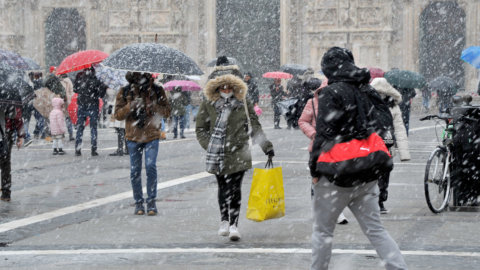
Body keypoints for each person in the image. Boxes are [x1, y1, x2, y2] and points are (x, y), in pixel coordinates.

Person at [308, 47, 407, 270]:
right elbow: (384, 123)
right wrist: (363, 136)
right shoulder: (367, 89)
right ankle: (398, 266)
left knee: (323, 231)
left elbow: (324, 134)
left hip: (336, 174)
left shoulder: (331, 92)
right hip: (367, 171)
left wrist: (314, 169)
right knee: (375, 229)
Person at [196, 56, 274, 241]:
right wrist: (209, 145)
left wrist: (266, 147)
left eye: (229, 86)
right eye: (222, 87)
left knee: (235, 189)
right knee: (223, 187)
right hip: (218, 152)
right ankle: (224, 219)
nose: (226, 90)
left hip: (239, 151)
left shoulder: (243, 103)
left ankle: (234, 224)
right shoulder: (209, 103)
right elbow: (200, 128)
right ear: (216, 88)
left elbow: (255, 125)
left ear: (234, 86)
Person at [115, 72, 171, 216]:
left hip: (151, 134)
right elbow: (118, 115)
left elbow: (167, 111)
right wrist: (130, 106)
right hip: (133, 136)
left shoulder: (157, 90)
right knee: (135, 171)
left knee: (151, 167)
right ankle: (139, 202)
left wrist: (153, 106)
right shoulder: (125, 91)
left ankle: (151, 201)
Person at [298, 78, 348, 224]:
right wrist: (313, 134)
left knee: (337, 179)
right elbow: (302, 121)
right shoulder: (312, 103)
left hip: (338, 146)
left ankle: (336, 211)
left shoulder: (342, 104)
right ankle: (318, 209)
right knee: (317, 179)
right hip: (318, 146)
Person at [370, 77, 411, 214]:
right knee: (374, 173)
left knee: (384, 172)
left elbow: (399, 128)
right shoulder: (368, 104)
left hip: (386, 144)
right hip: (371, 144)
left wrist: (404, 153)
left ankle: (381, 197)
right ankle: (375, 199)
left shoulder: (393, 106)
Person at [73, 67, 107, 156]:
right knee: (93, 128)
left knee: (80, 128)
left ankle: (78, 149)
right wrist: (103, 86)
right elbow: (101, 94)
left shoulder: (79, 76)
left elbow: (75, 90)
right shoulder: (96, 78)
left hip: (81, 104)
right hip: (93, 105)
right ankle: (93, 149)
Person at [0, 106, 25, 202]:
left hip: (5, 135)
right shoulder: (9, 100)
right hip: (6, 135)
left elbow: (17, 118)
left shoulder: (9, 101)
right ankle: (6, 193)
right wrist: (20, 136)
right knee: (5, 164)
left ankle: (6, 193)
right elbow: (18, 119)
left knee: (5, 163)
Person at [59, 73, 75, 141]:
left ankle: (62, 133)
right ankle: (70, 134)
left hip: (61, 101)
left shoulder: (60, 82)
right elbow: (72, 92)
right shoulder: (69, 81)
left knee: (61, 118)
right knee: (68, 118)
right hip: (68, 102)